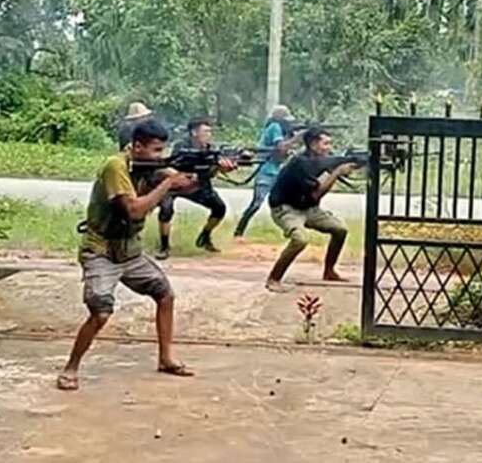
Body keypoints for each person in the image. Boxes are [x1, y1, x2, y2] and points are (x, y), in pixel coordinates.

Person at [57, 119, 199, 391]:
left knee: (165, 295)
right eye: (156, 150)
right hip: (101, 251)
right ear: (137, 146)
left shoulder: (151, 167)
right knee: (100, 312)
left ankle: (166, 358)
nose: (160, 156)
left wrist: (207, 171)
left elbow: (189, 186)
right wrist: (168, 183)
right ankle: (71, 367)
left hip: (130, 251)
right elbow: (133, 210)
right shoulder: (116, 166)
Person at [264, 128, 361, 292]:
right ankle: (274, 279)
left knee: (340, 230)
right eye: (325, 144)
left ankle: (329, 272)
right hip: (286, 209)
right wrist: (336, 173)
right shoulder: (300, 163)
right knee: (300, 240)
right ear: (313, 144)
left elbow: (315, 195)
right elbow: (317, 194)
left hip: (307, 208)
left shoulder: (317, 161)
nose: (329, 148)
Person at [156, 117, 235, 260]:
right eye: (205, 131)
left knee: (219, 208)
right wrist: (181, 176)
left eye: (210, 131)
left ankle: (204, 237)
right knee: (166, 209)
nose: (209, 134)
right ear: (194, 132)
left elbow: (212, 172)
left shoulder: (211, 149)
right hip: (175, 184)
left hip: (198, 185)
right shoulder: (181, 146)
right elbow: (169, 165)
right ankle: (164, 246)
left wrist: (222, 168)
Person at [233, 105, 300, 241]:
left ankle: (293, 231)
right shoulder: (275, 127)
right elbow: (281, 148)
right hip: (266, 170)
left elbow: (286, 151)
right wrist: (298, 137)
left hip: (276, 170)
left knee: (285, 204)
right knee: (256, 204)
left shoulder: (282, 131)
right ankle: (238, 232)